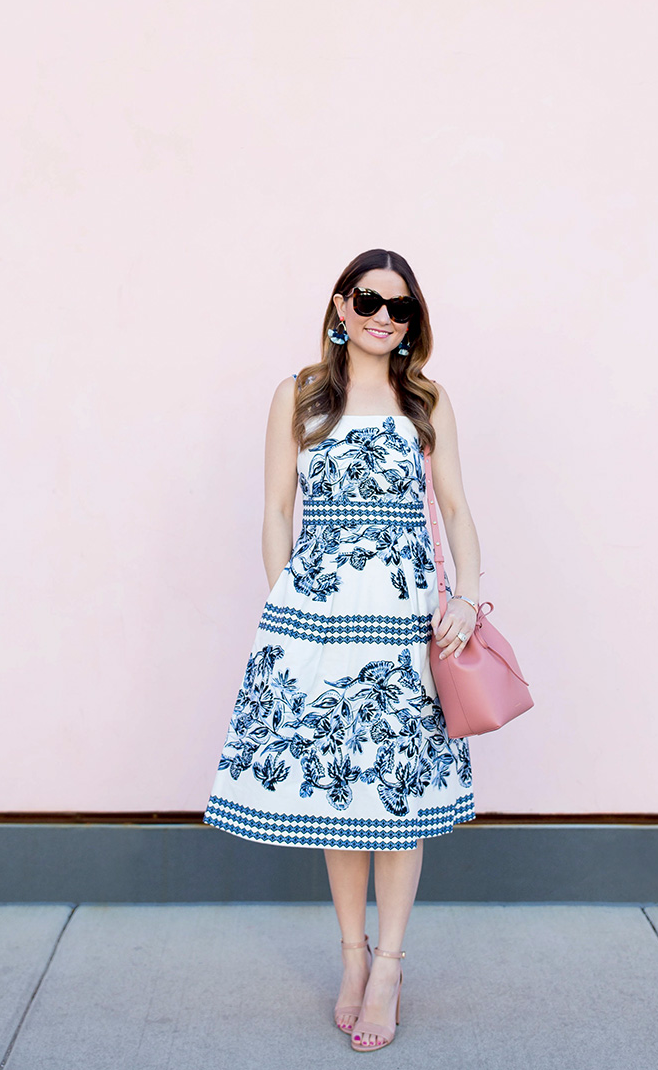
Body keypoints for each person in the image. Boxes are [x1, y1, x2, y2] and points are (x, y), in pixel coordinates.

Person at [204, 248, 481, 1051]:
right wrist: (282, 602)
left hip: (404, 618)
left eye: (401, 309)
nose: (384, 317)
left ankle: (389, 967)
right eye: (370, 300)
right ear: (340, 304)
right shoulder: (298, 397)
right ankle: (351, 958)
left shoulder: (426, 401)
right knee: (337, 793)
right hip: (319, 620)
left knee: (396, 800)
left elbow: (457, 508)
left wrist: (464, 591)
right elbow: (274, 510)